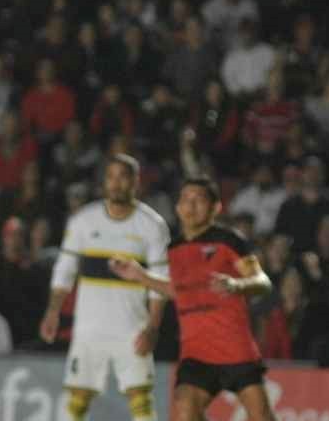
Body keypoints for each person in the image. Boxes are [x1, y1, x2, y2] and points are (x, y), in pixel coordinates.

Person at [110, 177, 276, 421]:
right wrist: (140, 276)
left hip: (235, 348)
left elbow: (263, 282)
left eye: (199, 200)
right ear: (178, 208)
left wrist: (237, 285)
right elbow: (180, 291)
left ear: (215, 208)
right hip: (195, 352)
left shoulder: (229, 240)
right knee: (185, 409)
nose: (191, 205)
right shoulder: (173, 249)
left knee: (261, 416)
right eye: (186, 199)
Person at [38, 155, 169, 421]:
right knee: (77, 401)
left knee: (141, 400)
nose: (116, 183)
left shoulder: (152, 225)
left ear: (136, 181)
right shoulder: (83, 221)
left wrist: (153, 327)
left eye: (123, 177)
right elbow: (65, 270)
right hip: (89, 328)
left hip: (132, 327)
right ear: (104, 182)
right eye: (111, 177)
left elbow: (160, 281)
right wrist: (52, 312)